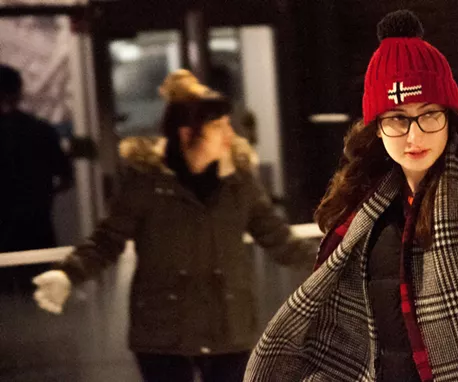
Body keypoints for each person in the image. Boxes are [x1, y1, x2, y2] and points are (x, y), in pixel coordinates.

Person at [244, 10, 458, 382]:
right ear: (376, 127)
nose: (415, 136)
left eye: (429, 114)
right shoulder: (362, 218)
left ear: (451, 116)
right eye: (397, 117)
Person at [32, 69, 316, 382]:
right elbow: (107, 239)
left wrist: (330, 266)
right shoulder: (147, 182)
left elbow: (277, 237)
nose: (229, 135)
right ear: (186, 133)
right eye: (218, 127)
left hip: (228, 326)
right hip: (164, 331)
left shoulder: (238, 183)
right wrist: (67, 273)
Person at [0, 64, 73, 292]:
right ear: (18, 92)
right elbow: (65, 179)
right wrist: (41, 194)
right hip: (37, 230)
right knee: (38, 299)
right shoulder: (41, 131)